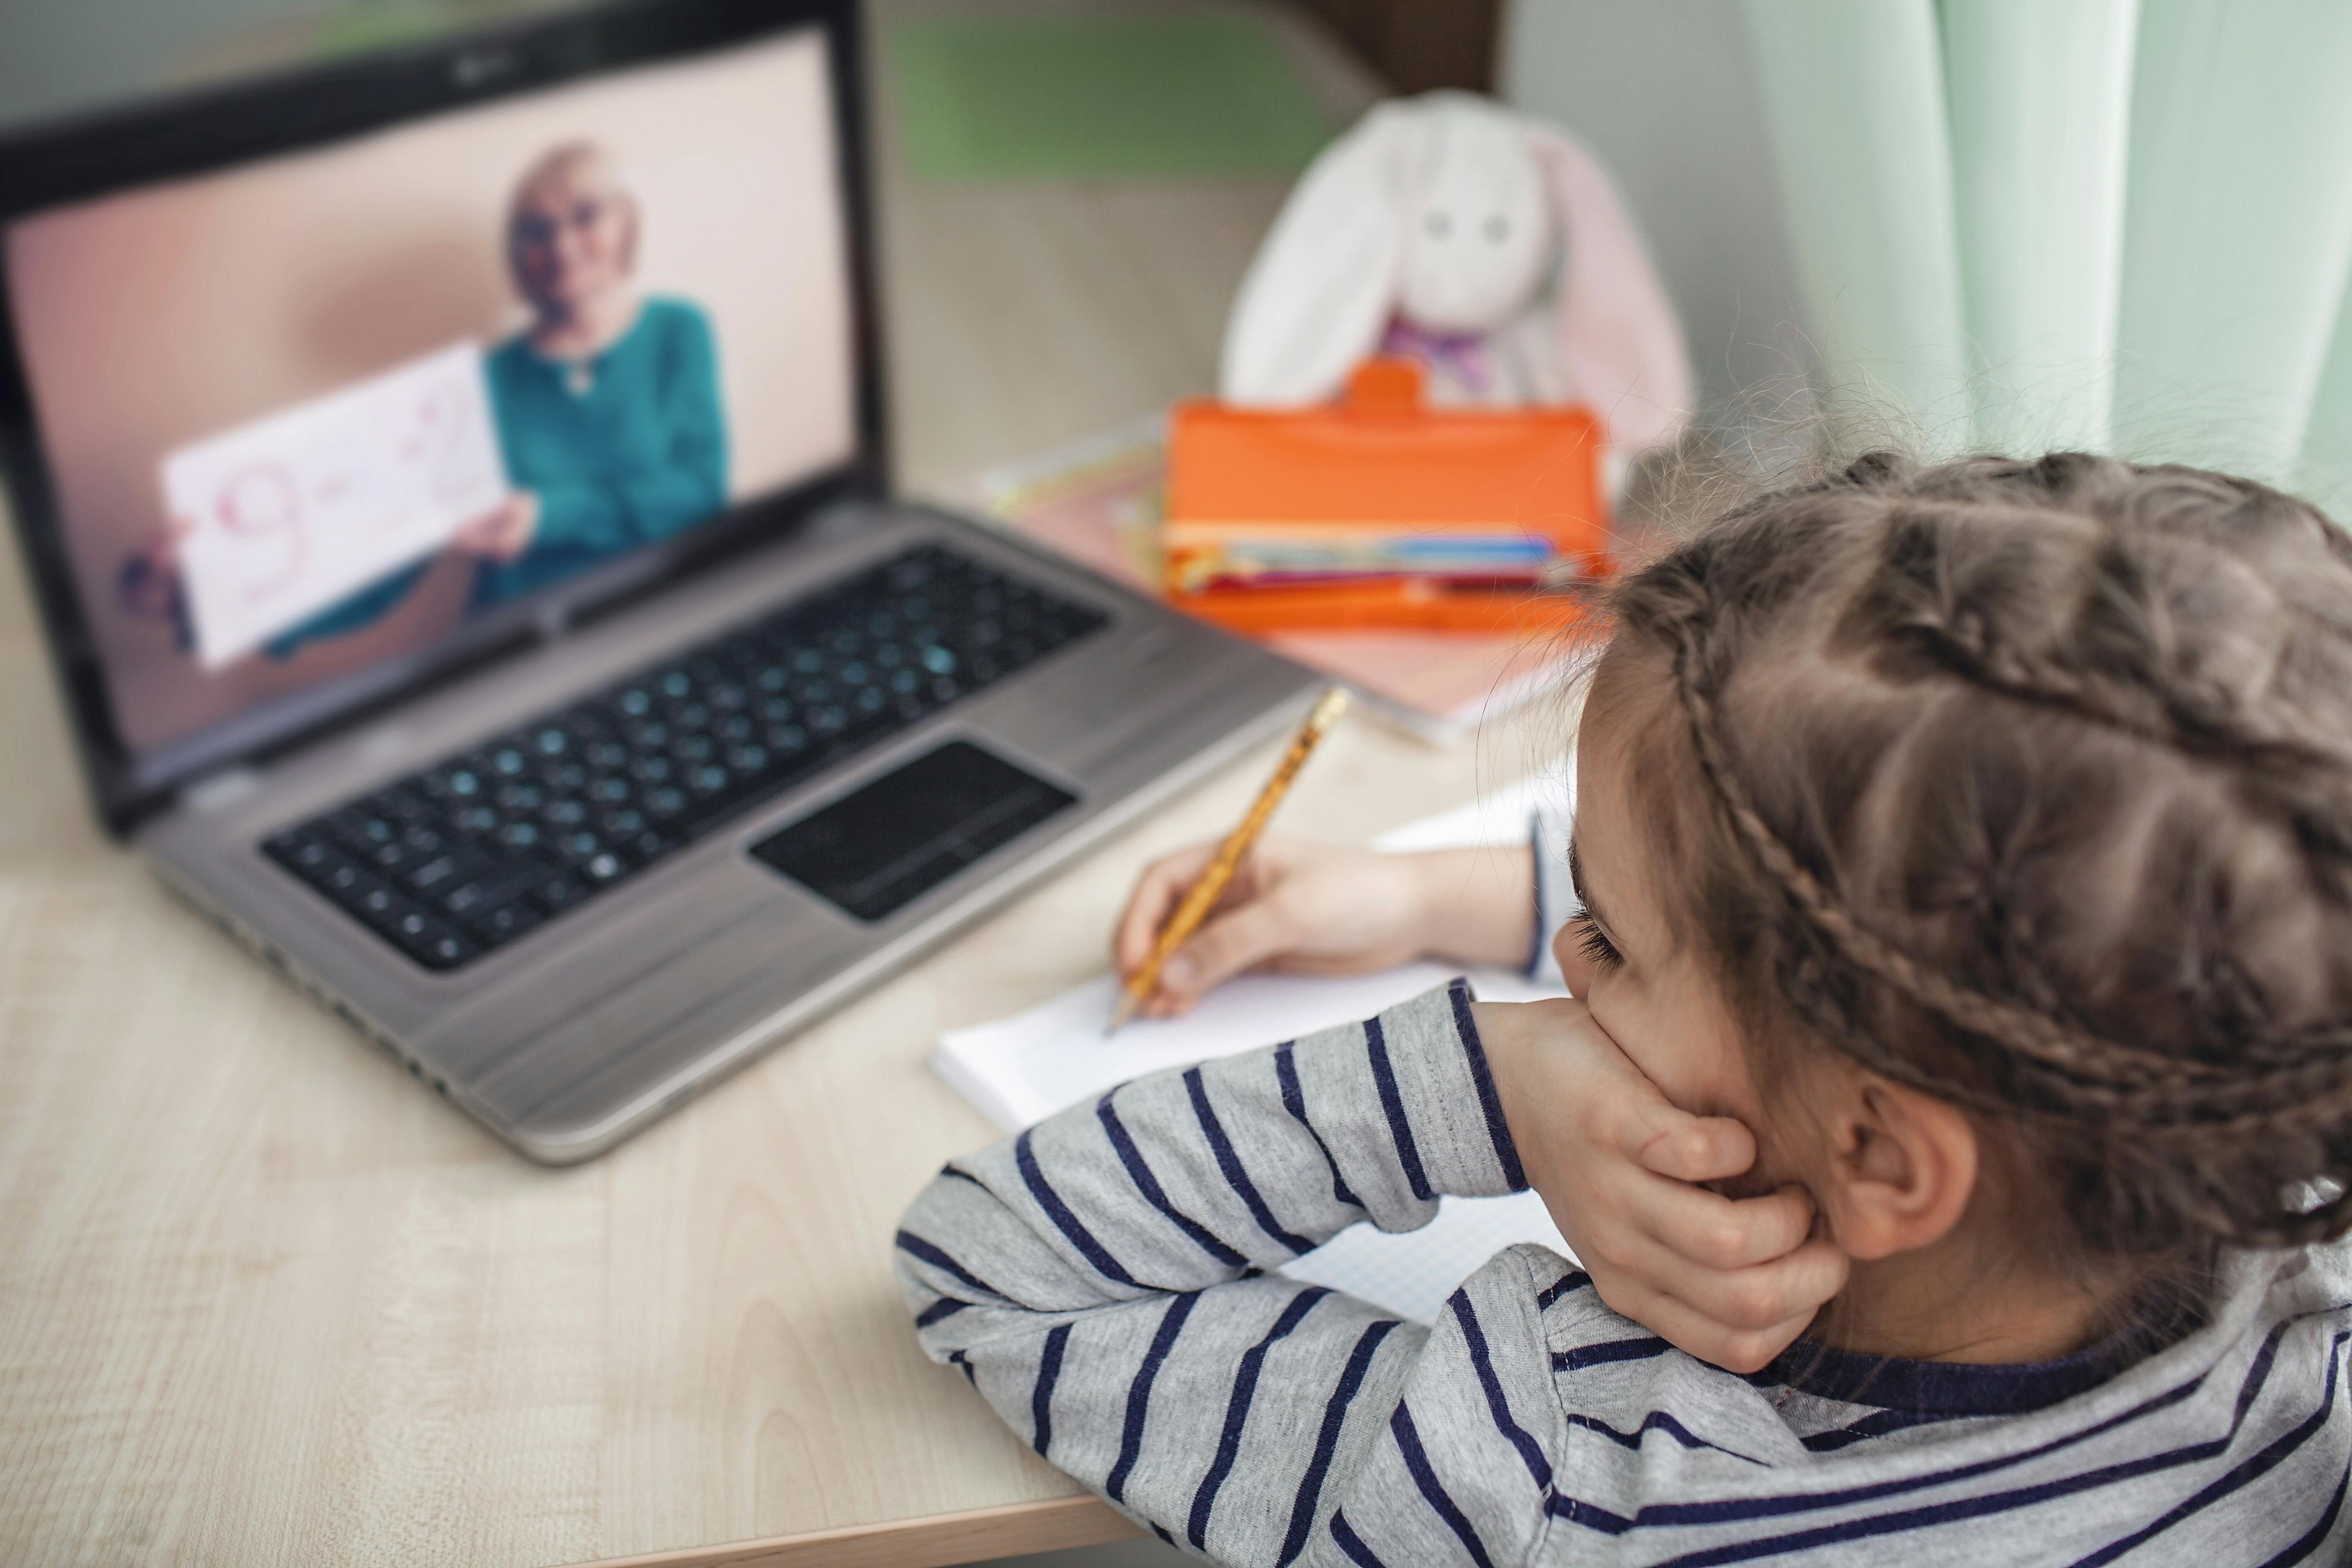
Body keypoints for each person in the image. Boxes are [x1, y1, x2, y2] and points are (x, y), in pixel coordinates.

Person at [894, 452, 2352, 1564]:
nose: (1562, 961)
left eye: (1603, 937)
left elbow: (997, 1266)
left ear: (1881, 1156)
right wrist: (1433, 897)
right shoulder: (2295, 1294)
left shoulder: (1555, 1477)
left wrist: (1486, 1084)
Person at [224, 139, 727, 656]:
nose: (562, 246)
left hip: (659, 624)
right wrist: (234, 602)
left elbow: (699, 492)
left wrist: (548, 517)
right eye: (537, 231)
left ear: (627, 224)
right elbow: (397, 549)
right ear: (518, 254)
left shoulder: (679, 331)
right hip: (523, 648)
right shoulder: (482, 382)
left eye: (585, 217)